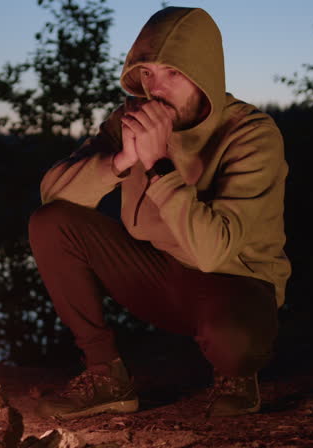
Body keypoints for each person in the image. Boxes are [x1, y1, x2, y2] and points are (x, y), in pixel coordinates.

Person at [28, 6, 290, 419]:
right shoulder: (130, 121)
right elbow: (52, 194)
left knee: (234, 343)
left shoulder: (252, 134)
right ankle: (106, 377)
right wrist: (121, 159)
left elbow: (212, 252)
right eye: (147, 73)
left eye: (173, 73)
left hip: (233, 284)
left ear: (204, 74)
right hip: (157, 273)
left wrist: (157, 165)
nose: (156, 88)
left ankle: (237, 378)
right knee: (51, 224)